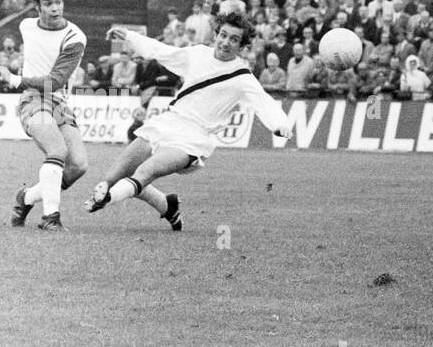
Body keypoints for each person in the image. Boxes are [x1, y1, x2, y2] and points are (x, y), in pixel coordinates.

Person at [82, 12, 293, 231]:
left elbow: (264, 102)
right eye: (223, 35)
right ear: (216, 34)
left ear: (242, 46)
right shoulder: (198, 54)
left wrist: (280, 125)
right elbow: (161, 51)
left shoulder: (243, 77)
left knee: (146, 171)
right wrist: (130, 36)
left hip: (194, 137)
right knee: (117, 175)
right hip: (169, 122)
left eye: (234, 39)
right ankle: (166, 205)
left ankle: (105, 200)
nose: (226, 42)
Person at [0, 0, 88, 231]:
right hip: (32, 99)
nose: (55, 8)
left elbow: (56, 81)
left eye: (58, 1)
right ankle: (51, 218)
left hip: (58, 100)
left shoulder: (75, 37)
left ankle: (25, 198)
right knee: (57, 150)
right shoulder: (26, 25)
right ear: (37, 7)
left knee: (78, 165)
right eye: (48, 3)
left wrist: (14, 78)